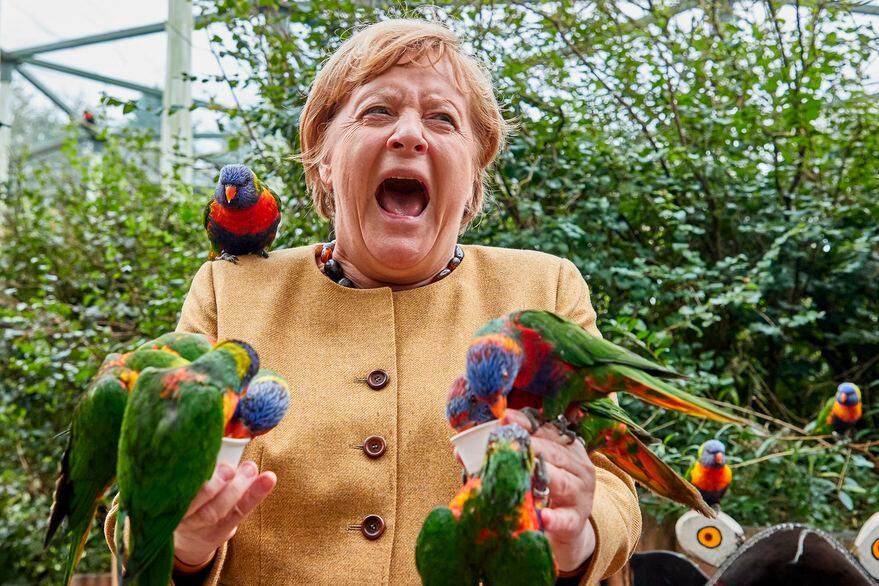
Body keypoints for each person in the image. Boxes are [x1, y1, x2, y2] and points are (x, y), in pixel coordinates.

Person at [104, 18, 641, 585]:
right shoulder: (230, 290)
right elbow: (138, 500)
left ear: (474, 172)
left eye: (442, 119)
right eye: (377, 112)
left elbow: (613, 486)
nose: (409, 135)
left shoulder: (546, 291)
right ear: (324, 161)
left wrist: (577, 534)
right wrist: (182, 540)